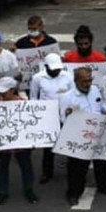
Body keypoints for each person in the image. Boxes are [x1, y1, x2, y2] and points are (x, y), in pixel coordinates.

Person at [60, 67, 106, 205]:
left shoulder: (95, 90)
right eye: (84, 81)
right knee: (77, 167)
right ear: (76, 81)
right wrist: (69, 115)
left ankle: (104, 186)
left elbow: (101, 104)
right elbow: (62, 119)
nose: (88, 83)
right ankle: (73, 193)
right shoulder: (67, 97)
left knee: (101, 161)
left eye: (90, 80)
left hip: (98, 132)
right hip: (79, 136)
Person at [0, 77, 38, 205]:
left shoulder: (23, 104)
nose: (1, 94)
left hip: (21, 143)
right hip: (2, 142)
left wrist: (33, 140)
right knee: (1, 167)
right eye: (0, 92)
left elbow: (31, 124)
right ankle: (2, 192)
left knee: (26, 166)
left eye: (4, 91)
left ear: (13, 90)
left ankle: (29, 190)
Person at [30, 53, 74, 184]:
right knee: (48, 146)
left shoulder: (68, 76)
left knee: (68, 144)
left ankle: (71, 170)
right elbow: (33, 97)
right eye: (53, 68)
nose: (56, 70)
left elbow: (73, 95)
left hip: (65, 115)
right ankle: (47, 172)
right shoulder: (37, 78)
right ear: (46, 67)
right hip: (47, 116)